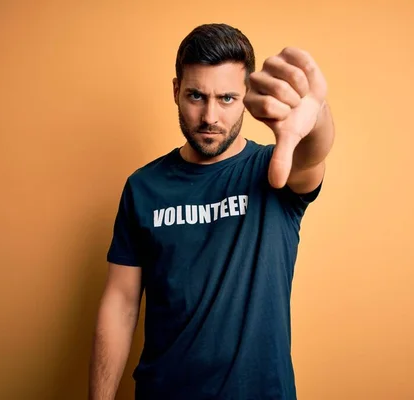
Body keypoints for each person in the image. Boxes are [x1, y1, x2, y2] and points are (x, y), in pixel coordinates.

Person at [89, 22, 335, 400]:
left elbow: (310, 157)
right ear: (175, 91)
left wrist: (314, 117)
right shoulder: (143, 187)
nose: (209, 117)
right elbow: (120, 302)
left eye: (226, 98)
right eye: (195, 96)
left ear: (247, 95)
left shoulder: (273, 171)